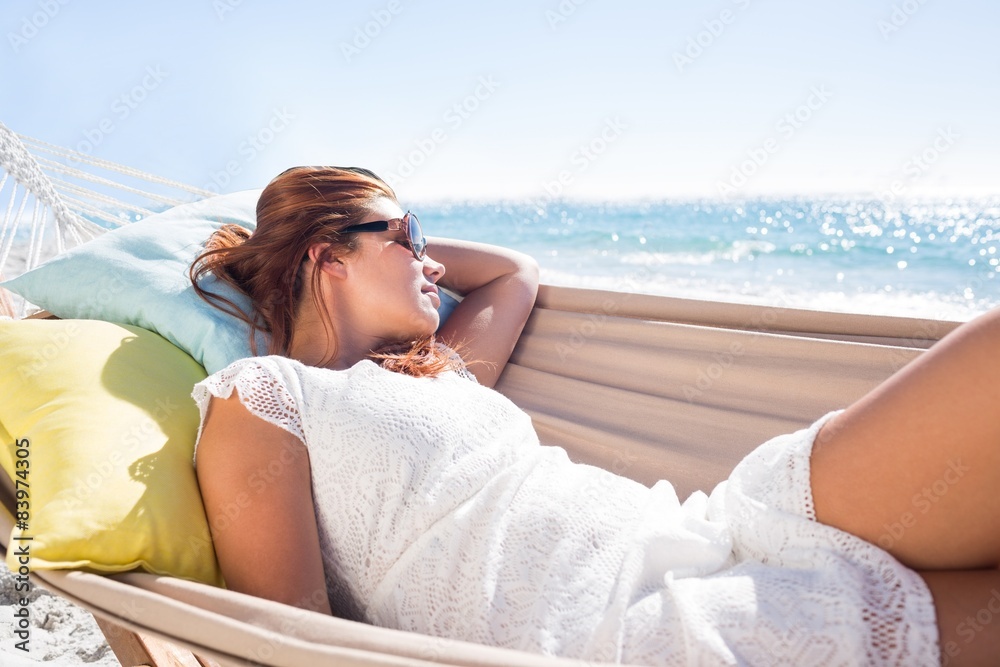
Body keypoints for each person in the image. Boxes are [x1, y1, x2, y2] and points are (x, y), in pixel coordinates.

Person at [189, 166, 999, 666]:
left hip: (717, 532)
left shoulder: (440, 370)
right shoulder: (261, 394)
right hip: (626, 631)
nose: (435, 259)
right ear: (326, 256)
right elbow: (286, 641)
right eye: (411, 235)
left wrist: (388, 242)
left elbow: (515, 272)